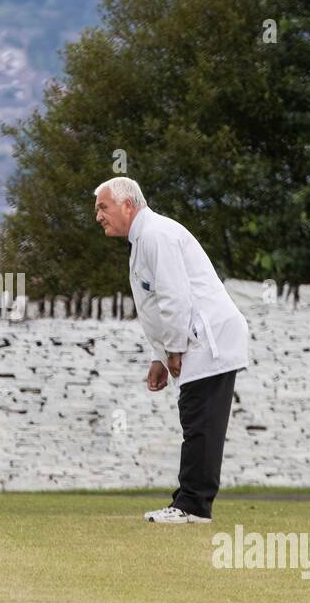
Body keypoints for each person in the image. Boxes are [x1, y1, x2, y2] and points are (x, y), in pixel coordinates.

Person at [94, 177, 249, 523]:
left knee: (200, 421)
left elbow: (174, 296)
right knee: (197, 419)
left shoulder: (154, 235)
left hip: (207, 339)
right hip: (197, 339)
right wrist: (160, 357)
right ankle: (189, 501)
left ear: (128, 205)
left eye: (103, 207)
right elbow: (156, 305)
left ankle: (193, 507)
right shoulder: (144, 239)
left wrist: (174, 351)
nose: (98, 217)